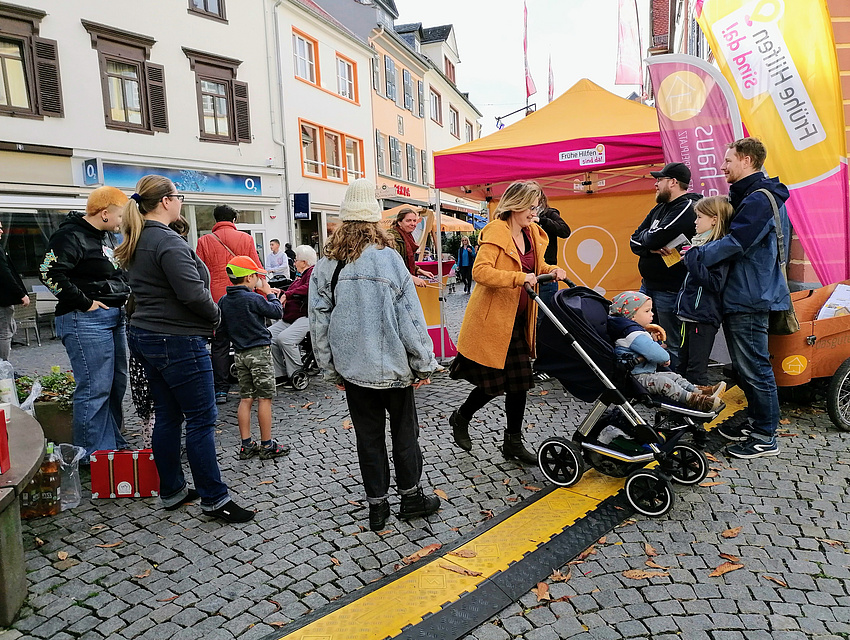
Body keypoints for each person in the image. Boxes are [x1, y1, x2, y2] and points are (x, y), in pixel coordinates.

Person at [116, 175, 253, 523]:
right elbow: (192, 293)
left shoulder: (138, 238)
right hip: (176, 339)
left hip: (147, 335)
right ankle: (214, 498)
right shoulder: (167, 241)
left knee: (169, 415)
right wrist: (217, 316)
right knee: (201, 420)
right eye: (177, 196)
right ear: (165, 201)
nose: (179, 200)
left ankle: (173, 490)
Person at [309, 178, 440, 532]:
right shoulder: (389, 260)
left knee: (367, 437)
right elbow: (411, 318)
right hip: (394, 369)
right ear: (374, 221)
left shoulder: (327, 265)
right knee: (404, 433)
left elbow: (318, 323)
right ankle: (411, 498)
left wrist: (330, 369)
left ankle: (377, 507)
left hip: (353, 370)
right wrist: (424, 362)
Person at [448, 180, 567, 463]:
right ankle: (461, 417)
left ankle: (512, 442)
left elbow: (534, 268)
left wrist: (552, 269)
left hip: (522, 317)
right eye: (530, 206)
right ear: (515, 204)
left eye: (536, 206)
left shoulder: (533, 233)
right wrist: (516, 279)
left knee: (519, 383)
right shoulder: (496, 232)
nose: (534, 211)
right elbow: (480, 271)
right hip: (495, 320)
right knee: (494, 384)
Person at [690, 138, 790, 459]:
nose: (722, 166)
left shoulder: (758, 200)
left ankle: (765, 435)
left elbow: (737, 242)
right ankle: (756, 421)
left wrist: (699, 253)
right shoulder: (752, 197)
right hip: (746, 293)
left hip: (750, 296)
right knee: (746, 368)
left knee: (755, 367)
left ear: (746, 160)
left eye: (728, 160)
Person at [39, 186, 130, 457]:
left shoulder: (103, 237)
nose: (122, 222)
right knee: (94, 387)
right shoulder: (70, 235)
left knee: (115, 383)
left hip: (111, 317)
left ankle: (111, 445)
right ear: (104, 213)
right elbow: (49, 272)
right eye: (121, 216)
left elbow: (112, 272)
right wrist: (85, 302)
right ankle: (91, 455)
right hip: (85, 319)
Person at [630, 162, 701, 370]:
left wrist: (648, 242)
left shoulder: (686, 206)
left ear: (673, 182)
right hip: (649, 285)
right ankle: (655, 380)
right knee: (647, 336)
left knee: (671, 342)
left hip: (670, 289)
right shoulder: (659, 208)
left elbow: (654, 237)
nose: (655, 184)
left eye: (659, 180)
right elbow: (635, 240)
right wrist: (648, 248)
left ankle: (676, 385)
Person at [218, 256, 289, 460]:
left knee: (246, 398)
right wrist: (269, 294)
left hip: (240, 354)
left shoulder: (224, 300)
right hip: (259, 353)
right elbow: (277, 312)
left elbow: (221, 329)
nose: (259, 278)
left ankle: (246, 444)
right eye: (257, 276)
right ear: (249, 277)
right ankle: (267, 444)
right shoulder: (253, 298)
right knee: (264, 398)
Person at [607, 292, 724, 412]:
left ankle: (697, 390)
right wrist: (665, 358)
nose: (652, 314)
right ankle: (692, 399)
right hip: (636, 378)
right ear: (632, 315)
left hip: (643, 374)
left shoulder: (629, 331)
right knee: (664, 382)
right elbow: (656, 354)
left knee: (672, 376)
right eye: (647, 311)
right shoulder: (633, 334)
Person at [196, 204, 262, 405]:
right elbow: (256, 269)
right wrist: (262, 295)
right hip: (244, 298)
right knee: (248, 341)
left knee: (219, 344)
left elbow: (199, 273)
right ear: (234, 220)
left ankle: (221, 389)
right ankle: (251, 386)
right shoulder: (246, 239)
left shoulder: (204, 241)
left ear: (215, 220)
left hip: (216, 299)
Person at [675, 196, 734, 386]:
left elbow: (715, 284)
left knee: (696, 370)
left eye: (699, 217)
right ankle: (683, 409)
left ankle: (699, 412)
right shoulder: (700, 245)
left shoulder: (717, 249)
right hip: (688, 315)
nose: (695, 222)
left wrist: (692, 259)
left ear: (714, 219)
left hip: (703, 317)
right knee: (681, 366)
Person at [269, 245, 316, 388]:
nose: (294, 263)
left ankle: (296, 373)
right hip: (291, 317)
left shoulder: (313, 272)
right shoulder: (300, 275)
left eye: (296, 260)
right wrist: (281, 291)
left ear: (304, 262)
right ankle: (280, 374)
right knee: (268, 335)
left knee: (285, 339)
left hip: (306, 316)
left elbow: (309, 288)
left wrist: (287, 294)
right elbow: (293, 289)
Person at [534, 192, 571, 306]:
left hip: (546, 273)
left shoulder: (549, 213)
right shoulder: (521, 216)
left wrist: (542, 221)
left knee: (546, 315)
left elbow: (565, 231)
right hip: (528, 272)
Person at [0, 221, 29, 361]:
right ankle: (4, 369)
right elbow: (5, 273)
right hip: (2, 300)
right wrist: (21, 294)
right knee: (5, 332)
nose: (1, 231)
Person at [386, 207, 435, 287]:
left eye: (414, 221)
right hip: (394, 285)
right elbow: (392, 265)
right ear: (399, 222)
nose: (413, 224)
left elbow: (406, 263)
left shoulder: (408, 237)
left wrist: (419, 270)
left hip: (403, 282)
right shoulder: (392, 238)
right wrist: (412, 278)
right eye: (408, 221)